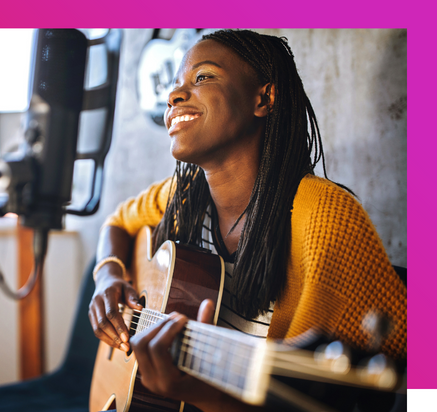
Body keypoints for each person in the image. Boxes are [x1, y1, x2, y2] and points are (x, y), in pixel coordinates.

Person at [88, 29, 407, 412]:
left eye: (202, 77)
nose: (174, 96)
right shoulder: (184, 196)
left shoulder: (325, 215)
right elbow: (118, 222)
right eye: (175, 85)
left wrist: (200, 393)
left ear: (264, 98)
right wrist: (108, 276)